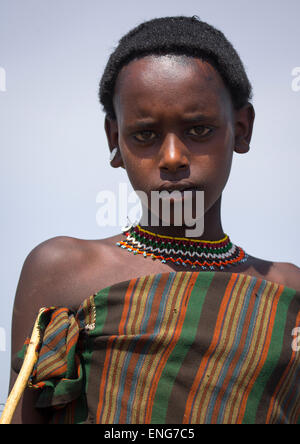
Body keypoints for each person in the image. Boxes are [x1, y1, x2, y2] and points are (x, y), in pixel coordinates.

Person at [8, 16, 300, 424]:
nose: (173, 157)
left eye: (199, 129)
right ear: (115, 141)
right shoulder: (64, 269)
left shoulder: (289, 292)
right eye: (144, 135)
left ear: (242, 128)